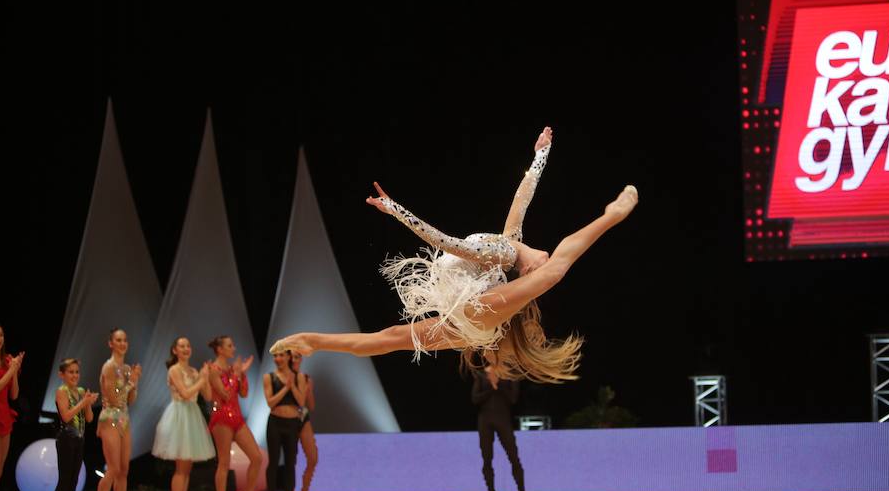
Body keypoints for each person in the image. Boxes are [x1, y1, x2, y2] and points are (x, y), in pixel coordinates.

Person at [272, 127, 638, 383]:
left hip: (476, 308)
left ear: (527, 270)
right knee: (392, 337)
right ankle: (313, 340)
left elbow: (446, 243)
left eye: (539, 264)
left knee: (557, 272)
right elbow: (523, 196)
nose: (545, 255)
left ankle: (612, 217)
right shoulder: (509, 244)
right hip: (472, 316)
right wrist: (541, 154)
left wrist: (396, 209)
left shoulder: (501, 256)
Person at [152, 337, 216, 491]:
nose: (186, 348)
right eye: (182, 346)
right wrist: (201, 379)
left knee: (187, 467)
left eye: (188, 345)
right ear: (175, 350)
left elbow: (209, 395)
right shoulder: (174, 370)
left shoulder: (193, 371)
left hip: (192, 416)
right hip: (180, 416)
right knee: (181, 467)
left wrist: (206, 377)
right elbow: (186, 393)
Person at [207, 335, 261, 491]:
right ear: (220, 349)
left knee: (256, 457)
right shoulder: (213, 369)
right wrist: (236, 375)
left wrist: (242, 374)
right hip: (221, 417)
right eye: (230, 346)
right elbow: (225, 395)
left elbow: (244, 394)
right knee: (224, 462)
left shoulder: (232, 369)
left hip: (237, 416)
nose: (234, 348)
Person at [95, 328, 141, 491]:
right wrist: (131, 382)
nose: (123, 343)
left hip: (124, 418)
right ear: (111, 343)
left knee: (123, 469)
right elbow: (114, 398)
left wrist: (134, 383)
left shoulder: (127, 368)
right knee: (113, 468)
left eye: (125, 340)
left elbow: (129, 399)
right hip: (110, 418)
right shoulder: (109, 367)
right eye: (118, 340)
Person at [472, 364, 535, 491]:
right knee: (487, 459)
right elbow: (475, 398)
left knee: (514, 457)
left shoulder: (511, 374)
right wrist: (491, 387)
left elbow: (513, 398)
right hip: (485, 421)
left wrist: (498, 384)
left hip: (503, 420)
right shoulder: (482, 375)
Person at [52, 359, 98, 491]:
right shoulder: (61, 391)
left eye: (77, 372)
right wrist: (83, 402)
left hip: (79, 439)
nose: (75, 375)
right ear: (62, 374)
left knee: (74, 479)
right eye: (70, 372)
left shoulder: (80, 391)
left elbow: (90, 418)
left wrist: (88, 404)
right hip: (66, 439)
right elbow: (66, 416)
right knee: (64, 478)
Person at [263, 350, 303, 491]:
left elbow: (301, 401)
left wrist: (292, 385)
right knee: (273, 460)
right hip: (275, 422)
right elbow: (270, 402)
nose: (277, 359)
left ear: (288, 357)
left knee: (290, 461)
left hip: (292, 422)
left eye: (281, 355)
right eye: (275, 356)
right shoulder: (269, 377)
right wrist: (285, 388)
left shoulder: (298, 376)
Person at [290, 351, 317, 491]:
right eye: (292, 357)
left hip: (303, 417)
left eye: (297, 357)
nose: (294, 360)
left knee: (313, 457)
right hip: (288, 418)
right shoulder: (283, 377)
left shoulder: (306, 378)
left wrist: (308, 390)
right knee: (290, 458)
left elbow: (311, 405)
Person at [0, 325, 21, 491]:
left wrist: (14, 370)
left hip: (4, 415)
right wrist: (12, 370)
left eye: (1, 335)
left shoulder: (7, 360)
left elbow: (14, 394)